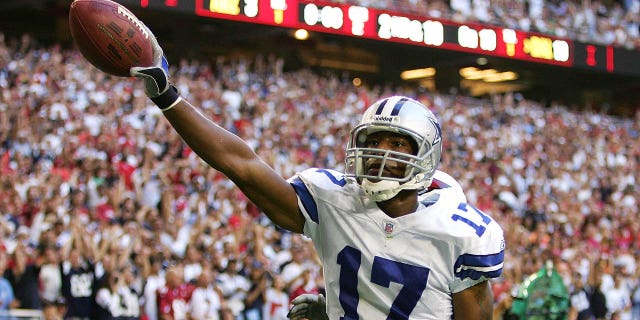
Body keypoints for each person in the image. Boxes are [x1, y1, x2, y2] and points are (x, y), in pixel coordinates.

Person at [127, 21, 505, 319]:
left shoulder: (459, 232)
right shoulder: (333, 198)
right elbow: (240, 163)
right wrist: (166, 95)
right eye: (373, 142)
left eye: (397, 144)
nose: (380, 154)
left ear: (426, 156)